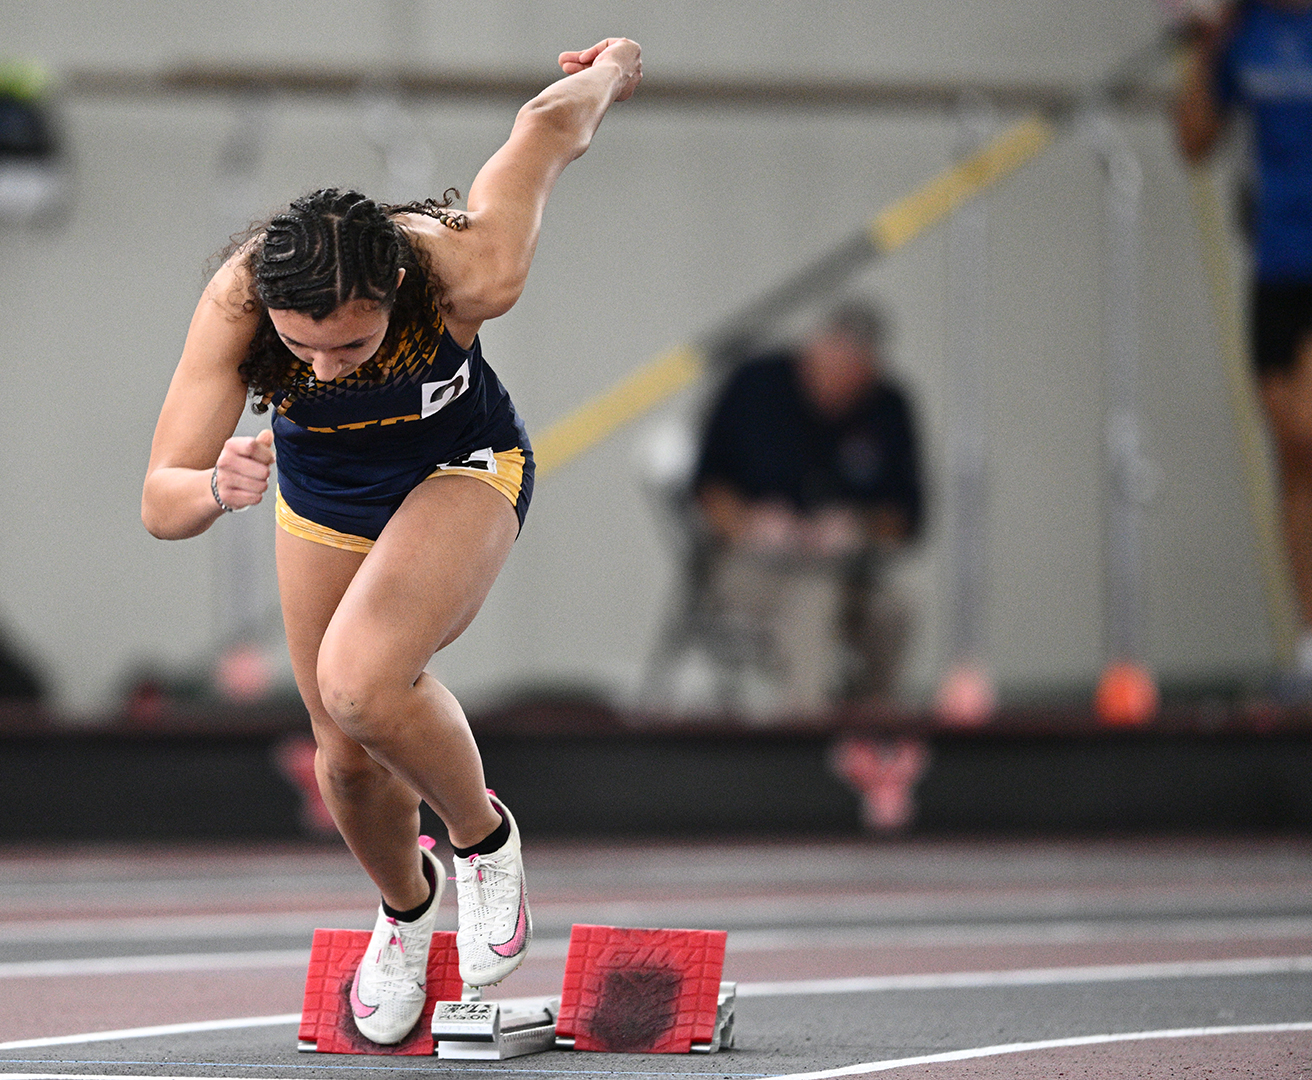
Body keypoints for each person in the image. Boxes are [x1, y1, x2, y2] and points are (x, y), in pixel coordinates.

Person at [142, 39, 642, 1044]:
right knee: (342, 758)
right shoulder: (238, 303)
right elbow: (161, 501)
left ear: (395, 296)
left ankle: (483, 842)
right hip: (325, 503)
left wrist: (609, 69)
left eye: (353, 344)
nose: (324, 369)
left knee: (363, 683)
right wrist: (214, 486)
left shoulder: (467, 269)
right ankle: (408, 910)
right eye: (301, 347)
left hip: (461, 471)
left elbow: (544, 133)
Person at [690, 301, 924, 714]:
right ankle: (806, 733)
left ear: (870, 372)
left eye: (851, 375)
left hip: (848, 574)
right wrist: (750, 524)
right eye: (829, 367)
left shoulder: (889, 407)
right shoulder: (754, 387)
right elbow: (705, 489)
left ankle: (868, 726)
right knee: (815, 597)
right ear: (811, 352)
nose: (835, 385)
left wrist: (858, 527)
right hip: (749, 569)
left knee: (894, 612)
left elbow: (907, 517)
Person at [1171, 0, 1312, 677]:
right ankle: (1310, 639)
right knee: (1295, 457)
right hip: (1277, 265)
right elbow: (1194, 141)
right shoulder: (1244, 30)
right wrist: (1208, 42)